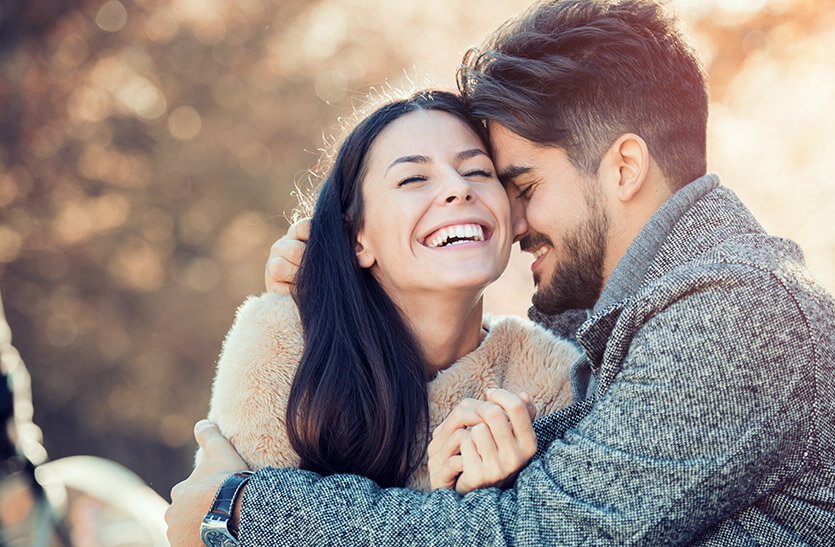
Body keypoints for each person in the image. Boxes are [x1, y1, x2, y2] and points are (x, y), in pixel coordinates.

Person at [167, 0, 835, 544]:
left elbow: (539, 531)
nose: (513, 216)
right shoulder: (645, 324)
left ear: (625, 166)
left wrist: (244, 509)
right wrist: (335, 301)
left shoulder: (736, 312)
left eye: (519, 185)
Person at [200, 90, 580, 496]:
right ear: (358, 239)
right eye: (413, 178)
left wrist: (489, 502)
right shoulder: (282, 348)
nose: (458, 188)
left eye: (478, 172)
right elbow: (223, 525)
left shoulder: (554, 380)